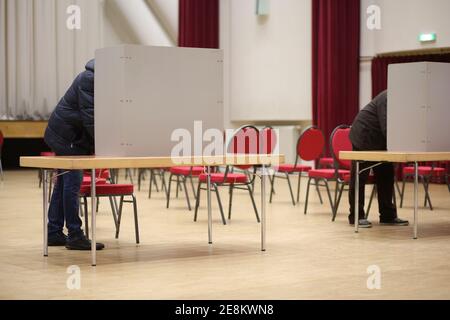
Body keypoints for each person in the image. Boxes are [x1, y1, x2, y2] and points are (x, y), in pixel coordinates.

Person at [44, 59, 104, 250]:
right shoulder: (89, 79)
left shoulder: (98, 79)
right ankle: (75, 235)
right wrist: (104, 145)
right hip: (67, 137)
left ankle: (53, 232)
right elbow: (91, 117)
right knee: (71, 183)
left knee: (63, 183)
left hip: (69, 136)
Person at [348, 90, 409, 228]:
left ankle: (388, 216)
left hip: (380, 141)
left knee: (386, 175)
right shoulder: (388, 97)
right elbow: (387, 126)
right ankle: (356, 216)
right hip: (364, 136)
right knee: (359, 177)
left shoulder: (402, 100)